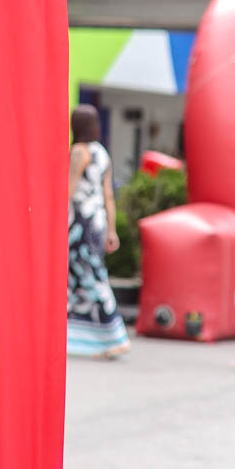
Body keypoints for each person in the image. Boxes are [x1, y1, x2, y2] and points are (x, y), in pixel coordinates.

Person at [67, 105, 131, 359]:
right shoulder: (102, 153)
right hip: (97, 222)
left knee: (89, 278)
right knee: (83, 277)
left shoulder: (79, 152)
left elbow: (68, 191)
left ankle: (116, 336)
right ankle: (81, 337)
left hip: (79, 223)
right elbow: (109, 196)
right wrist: (111, 230)